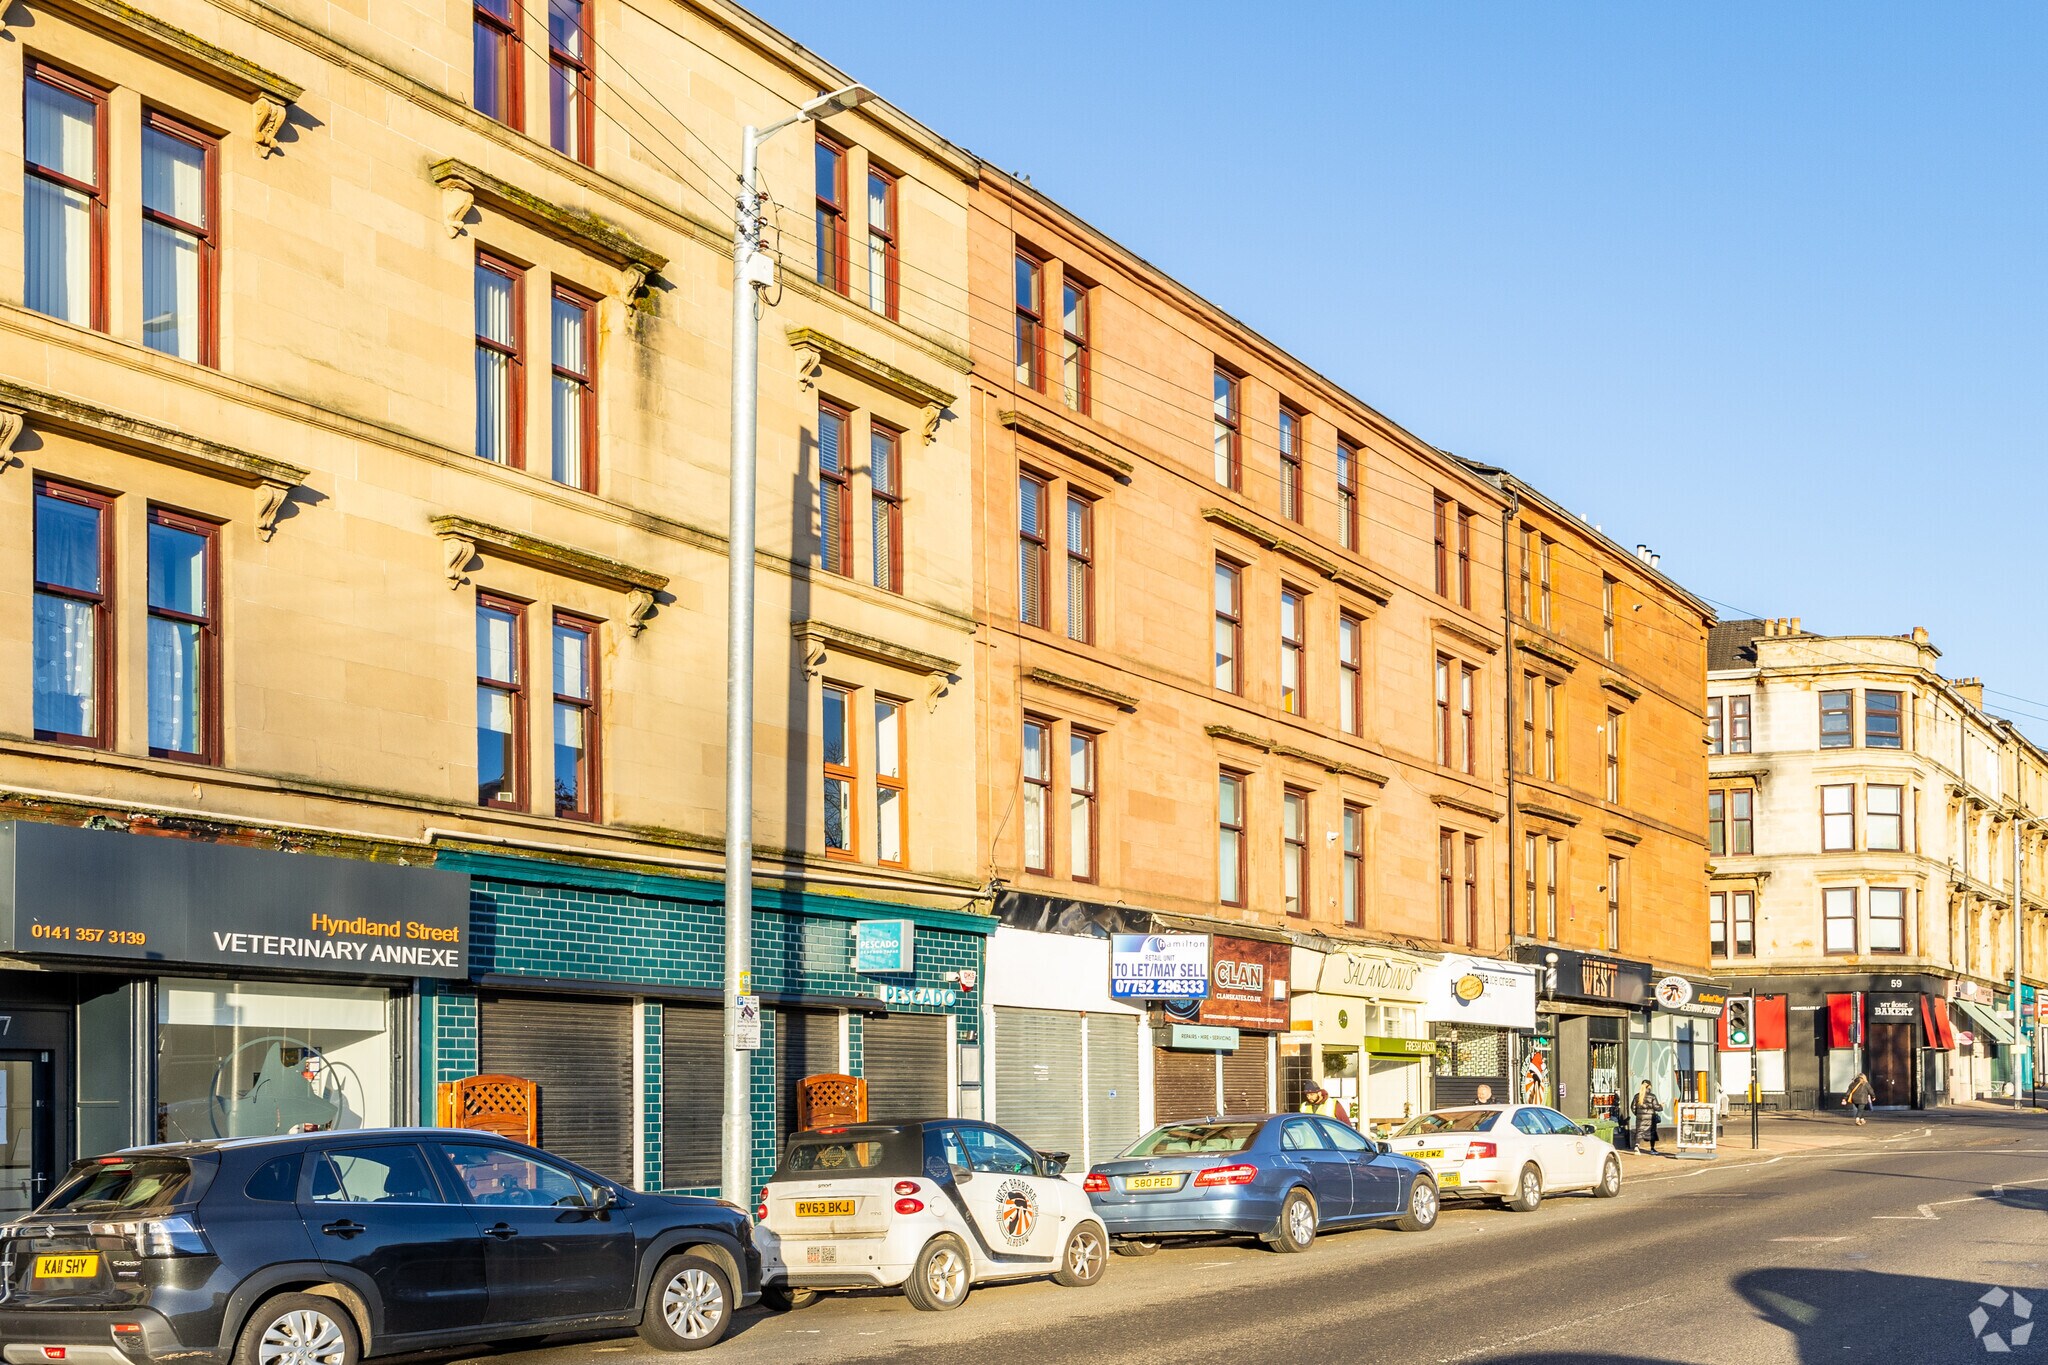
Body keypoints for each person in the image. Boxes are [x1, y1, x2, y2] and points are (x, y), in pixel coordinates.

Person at [1631, 1080, 1664, 1155]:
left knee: (1639, 1132)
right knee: (1652, 1133)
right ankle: (1652, 1149)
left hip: (1640, 1118)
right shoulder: (1652, 1096)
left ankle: (1636, 1146)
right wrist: (1661, 1106)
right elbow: (1656, 1107)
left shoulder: (1637, 1096)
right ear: (1649, 1086)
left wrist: (1638, 1114)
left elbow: (1632, 1107)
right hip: (1650, 1118)